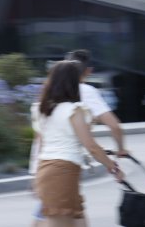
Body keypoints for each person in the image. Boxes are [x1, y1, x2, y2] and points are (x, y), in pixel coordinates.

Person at [31, 50, 128, 226]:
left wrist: (35, 175)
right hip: (62, 173)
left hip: (48, 170)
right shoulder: (74, 110)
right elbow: (91, 146)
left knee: (79, 222)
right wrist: (113, 167)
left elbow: (41, 145)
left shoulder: (42, 109)